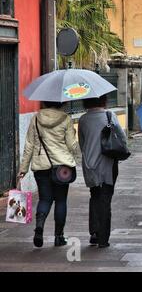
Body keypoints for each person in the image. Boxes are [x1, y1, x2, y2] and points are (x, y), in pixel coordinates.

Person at [18, 101, 78, 248]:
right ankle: (59, 237)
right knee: (61, 201)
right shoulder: (66, 119)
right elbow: (72, 146)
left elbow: (29, 145)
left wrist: (23, 169)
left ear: (44, 102)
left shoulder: (36, 118)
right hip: (61, 167)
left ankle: (39, 228)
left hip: (41, 166)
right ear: (62, 103)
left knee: (45, 199)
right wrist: (73, 135)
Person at [78, 95, 127, 248]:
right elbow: (122, 138)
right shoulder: (110, 116)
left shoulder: (83, 119)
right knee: (105, 200)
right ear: (104, 100)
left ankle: (94, 232)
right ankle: (103, 238)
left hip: (90, 164)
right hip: (108, 164)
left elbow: (82, 143)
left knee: (94, 196)